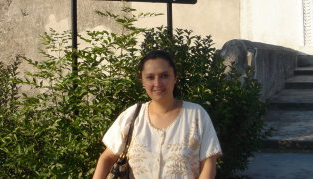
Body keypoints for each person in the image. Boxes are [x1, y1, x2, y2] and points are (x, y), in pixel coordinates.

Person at [93, 50, 222, 179]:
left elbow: (208, 164)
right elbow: (107, 157)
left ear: (175, 77)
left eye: (164, 76)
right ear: (142, 81)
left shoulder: (196, 115)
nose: (157, 83)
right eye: (150, 77)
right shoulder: (132, 116)